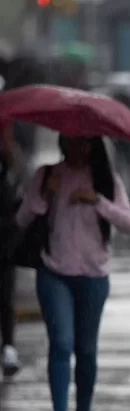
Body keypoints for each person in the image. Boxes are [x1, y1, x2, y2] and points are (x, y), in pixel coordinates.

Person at [16, 135, 130, 411]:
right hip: (54, 271)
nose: (78, 148)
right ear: (62, 141)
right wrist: (46, 195)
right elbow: (23, 218)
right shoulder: (46, 174)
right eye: (72, 141)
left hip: (93, 276)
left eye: (84, 142)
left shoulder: (106, 180)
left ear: (93, 144)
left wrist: (97, 200)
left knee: (86, 349)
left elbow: (129, 222)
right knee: (61, 342)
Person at [0, 104, 26, 376]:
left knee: (6, 294)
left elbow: (19, 201)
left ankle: (8, 345)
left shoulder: (10, 167)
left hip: (5, 240)